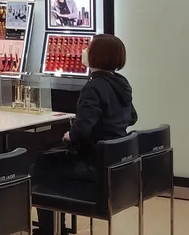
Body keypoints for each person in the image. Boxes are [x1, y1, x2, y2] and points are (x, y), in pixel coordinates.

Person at [33, 34, 137, 234]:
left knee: (41, 168)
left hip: (94, 162)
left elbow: (83, 129)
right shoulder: (122, 83)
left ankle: (50, 229)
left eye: (89, 48)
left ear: (96, 55)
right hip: (116, 160)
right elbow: (132, 117)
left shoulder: (93, 87)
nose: (84, 51)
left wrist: (69, 135)